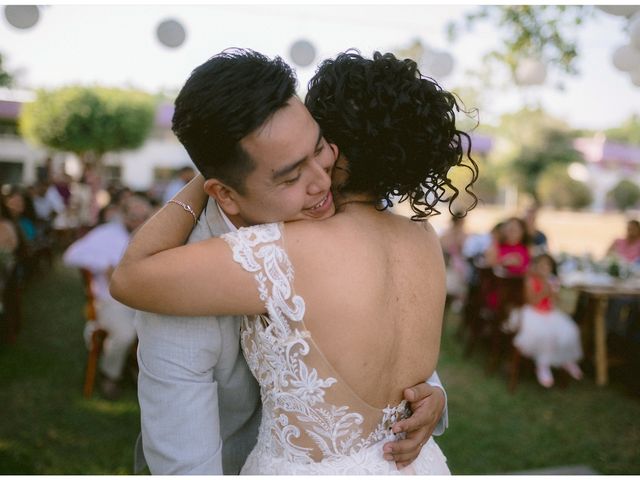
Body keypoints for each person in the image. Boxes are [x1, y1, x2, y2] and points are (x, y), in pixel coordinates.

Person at [112, 50, 477, 474]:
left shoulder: (329, 235)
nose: (321, 180)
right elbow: (184, 461)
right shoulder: (421, 236)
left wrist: (431, 395)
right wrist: (205, 177)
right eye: (289, 175)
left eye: (321, 148)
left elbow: (388, 339)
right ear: (225, 192)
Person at [63, 194, 153, 399]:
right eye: (133, 215)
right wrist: (103, 264)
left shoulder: (149, 234)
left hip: (142, 300)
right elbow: (70, 255)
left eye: (143, 216)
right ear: (123, 214)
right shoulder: (106, 234)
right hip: (109, 301)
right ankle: (110, 375)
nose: (138, 220)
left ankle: (142, 371)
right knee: (125, 333)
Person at [507, 254, 583, 388]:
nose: (544, 268)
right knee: (545, 334)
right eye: (541, 265)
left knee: (569, 331)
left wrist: (554, 292)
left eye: (547, 265)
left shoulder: (551, 280)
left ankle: (566, 360)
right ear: (535, 266)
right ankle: (542, 365)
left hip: (549, 312)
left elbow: (555, 300)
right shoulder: (530, 280)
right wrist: (544, 290)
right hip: (532, 312)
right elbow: (532, 301)